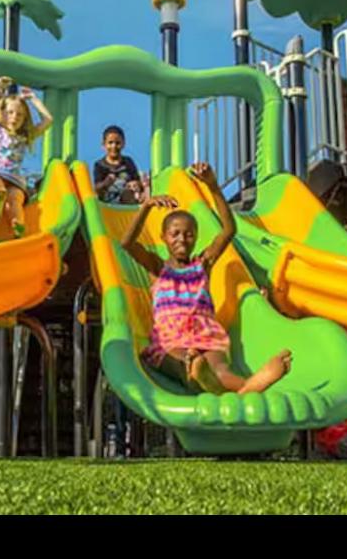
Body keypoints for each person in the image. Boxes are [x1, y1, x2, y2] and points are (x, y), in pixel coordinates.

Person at [120, 162, 292, 394]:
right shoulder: (157, 267)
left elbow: (229, 230)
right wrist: (146, 206)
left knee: (221, 372)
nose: (182, 239)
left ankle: (232, 383)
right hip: (171, 340)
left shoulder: (202, 264)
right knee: (184, 363)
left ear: (196, 237)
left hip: (205, 335)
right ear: (163, 237)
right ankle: (244, 386)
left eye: (189, 234)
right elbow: (127, 243)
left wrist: (213, 187)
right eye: (175, 234)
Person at [0, 76, 53, 237]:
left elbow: (48, 120)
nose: (15, 117)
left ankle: (17, 224)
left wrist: (33, 99)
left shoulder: (24, 136)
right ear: (1, 112)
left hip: (14, 180)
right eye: (10, 112)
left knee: (15, 198)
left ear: (24, 119)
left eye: (20, 115)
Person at [92, 125, 143, 204]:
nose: (114, 146)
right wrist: (106, 183)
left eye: (118, 143)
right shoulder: (99, 165)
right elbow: (97, 188)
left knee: (129, 193)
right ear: (103, 145)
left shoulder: (128, 162)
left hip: (126, 200)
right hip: (107, 204)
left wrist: (135, 184)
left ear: (123, 144)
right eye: (110, 143)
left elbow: (138, 182)